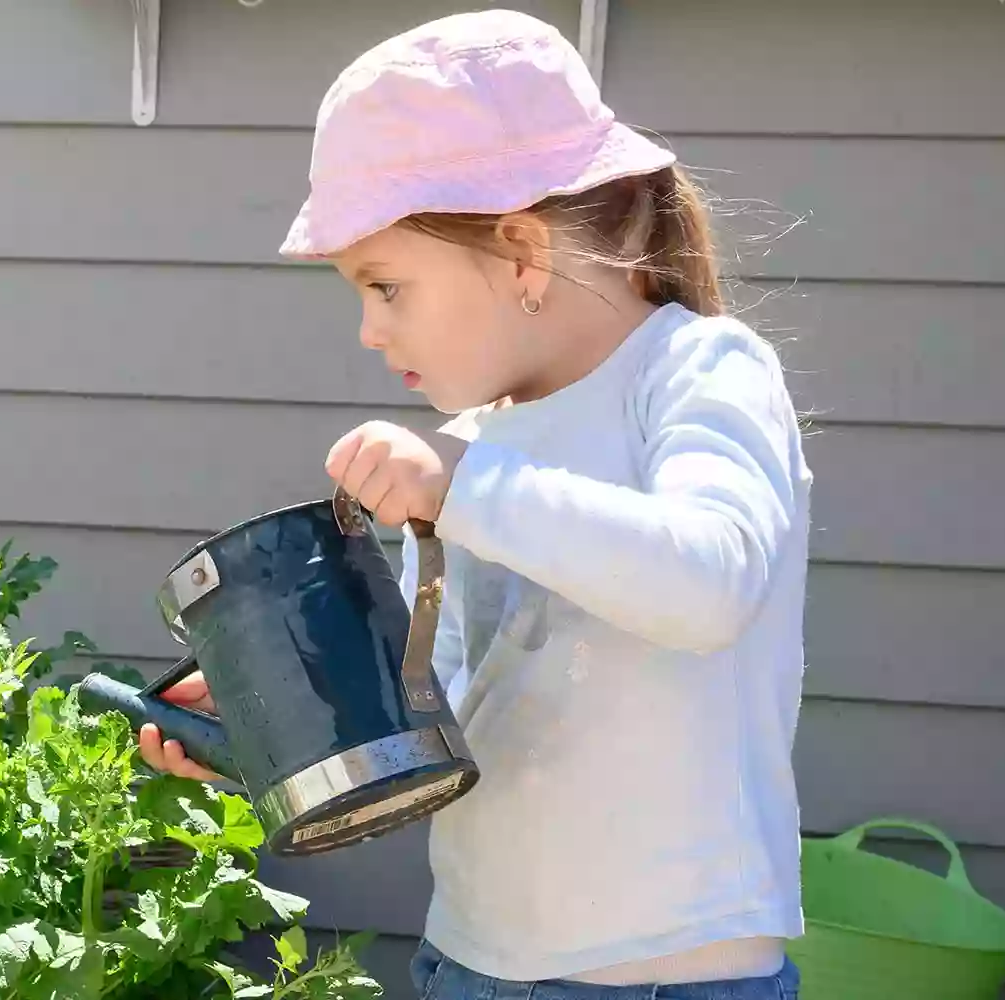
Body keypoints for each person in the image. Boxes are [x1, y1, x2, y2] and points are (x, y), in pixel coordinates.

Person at [136, 9, 810, 999]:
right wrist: (289, 722)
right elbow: (438, 706)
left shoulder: (698, 373)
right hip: (471, 965)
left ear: (523, 252)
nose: (369, 329)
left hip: (672, 977)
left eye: (386, 286)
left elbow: (710, 583)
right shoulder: (479, 448)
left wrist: (459, 490)